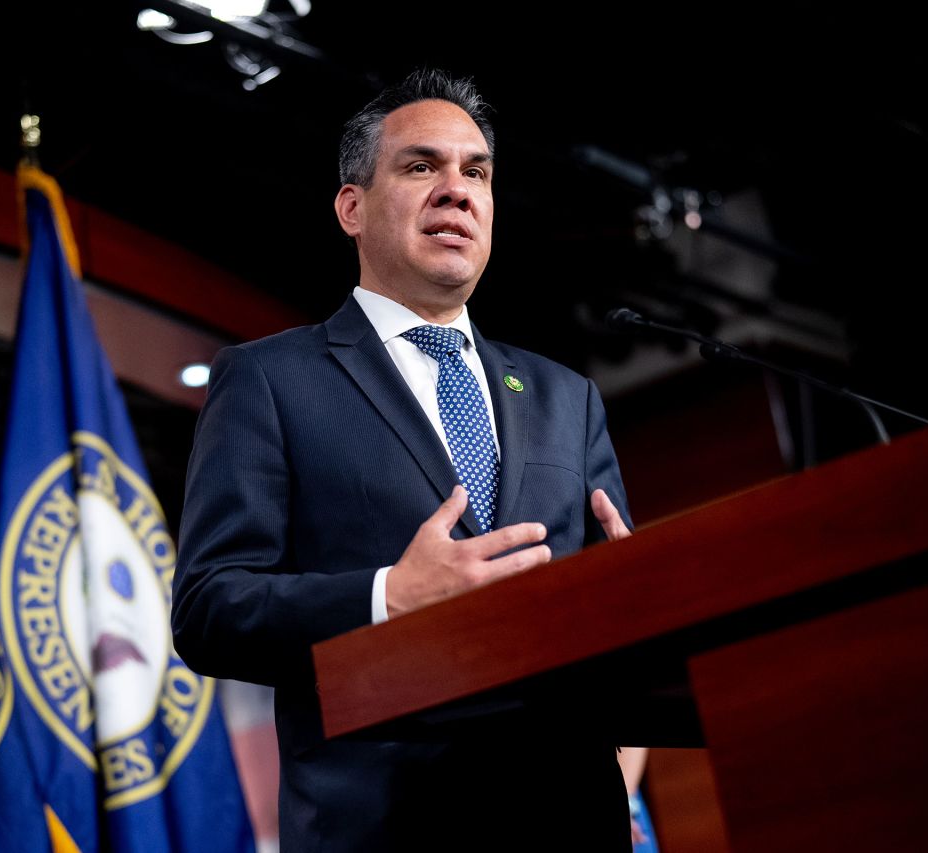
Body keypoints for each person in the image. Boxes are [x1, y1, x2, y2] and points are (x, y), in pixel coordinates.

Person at [174, 68, 635, 852]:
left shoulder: (567, 397)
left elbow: (615, 602)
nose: (456, 189)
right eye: (422, 166)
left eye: (476, 172)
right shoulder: (271, 381)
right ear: (352, 208)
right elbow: (210, 609)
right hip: (385, 823)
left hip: (568, 817)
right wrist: (391, 595)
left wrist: (641, 599)